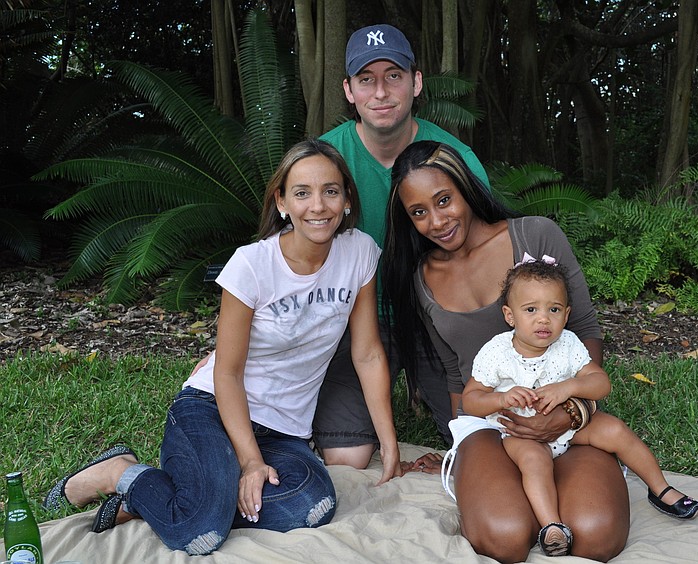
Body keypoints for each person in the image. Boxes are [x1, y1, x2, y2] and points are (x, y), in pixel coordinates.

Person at [42, 139, 402, 554]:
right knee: (199, 534)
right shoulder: (251, 266)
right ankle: (121, 474)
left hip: (284, 431)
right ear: (282, 202)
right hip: (213, 408)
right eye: (302, 193)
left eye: (330, 191)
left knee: (311, 505)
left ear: (346, 201)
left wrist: (388, 441)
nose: (317, 206)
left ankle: (182, 497)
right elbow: (227, 372)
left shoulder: (358, 253)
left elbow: (368, 353)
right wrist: (249, 462)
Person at [381, 140, 630, 562]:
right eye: (418, 212)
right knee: (507, 538)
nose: (437, 221)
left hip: (566, 418)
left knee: (597, 535)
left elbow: (585, 329)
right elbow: (454, 372)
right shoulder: (420, 278)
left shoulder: (535, 235)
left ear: (465, 188)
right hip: (491, 427)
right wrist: (461, 448)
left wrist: (571, 412)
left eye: (444, 200)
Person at [314, 23, 490, 468]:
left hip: (439, 316)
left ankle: (425, 384)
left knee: (482, 436)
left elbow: (488, 251)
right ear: (349, 90)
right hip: (358, 321)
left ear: (416, 82)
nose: (381, 92)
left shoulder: (453, 157)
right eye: (366, 79)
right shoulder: (323, 161)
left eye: (393, 75)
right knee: (346, 457)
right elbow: (286, 259)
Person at [461, 259, 698, 556]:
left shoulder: (568, 344)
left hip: (570, 426)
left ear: (566, 314)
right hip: (520, 433)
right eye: (531, 309)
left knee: (614, 430)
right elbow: (470, 400)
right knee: (534, 462)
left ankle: (661, 489)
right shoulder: (497, 352)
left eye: (554, 309)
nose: (543, 319)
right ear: (510, 316)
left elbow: (601, 384)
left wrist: (570, 386)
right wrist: (501, 398)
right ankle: (553, 526)